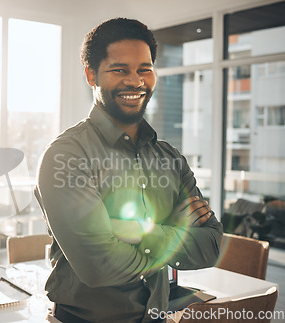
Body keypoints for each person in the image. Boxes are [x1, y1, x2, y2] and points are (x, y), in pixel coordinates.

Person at [35, 18, 222, 322]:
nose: (135, 81)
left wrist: (137, 231)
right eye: (120, 69)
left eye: (144, 69)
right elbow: (99, 266)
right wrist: (172, 234)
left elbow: (212, 246)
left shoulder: (170, 158)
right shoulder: (66, 156)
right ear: (91, 75)